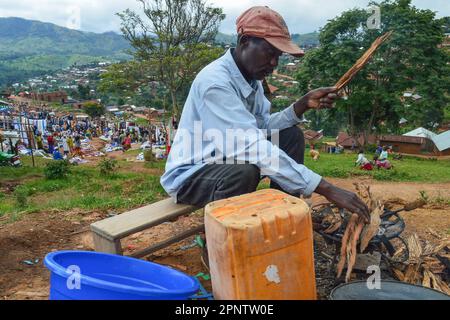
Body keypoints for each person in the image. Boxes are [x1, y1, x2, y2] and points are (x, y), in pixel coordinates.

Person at [160, 6, 369, 223]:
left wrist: (302, 105)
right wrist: (326, 188)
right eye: (270, 53)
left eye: (278, 55)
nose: (274, 63)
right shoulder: (216, 83)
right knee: (244, 172)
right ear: (244, 41)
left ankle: (282, 218)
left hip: (228, 159)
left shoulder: (252, 80)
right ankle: (222, 240)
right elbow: (248, 145)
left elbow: (261, 128)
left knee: (290, 136)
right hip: (192, 174)